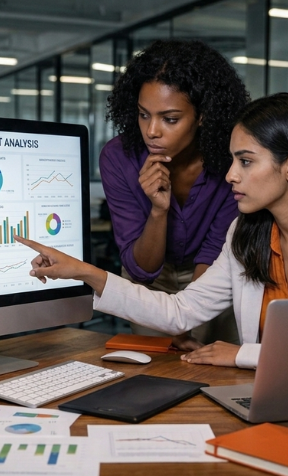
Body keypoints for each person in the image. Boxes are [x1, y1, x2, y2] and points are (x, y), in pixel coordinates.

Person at [17, 93, 288, 369]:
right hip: (263, 394)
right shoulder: (245, 233)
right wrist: (85, 272)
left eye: (246, 161)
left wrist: (241, 354)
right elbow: (180, 310)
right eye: (232, 159)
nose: (231, 174)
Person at [99, 39, 249, 350]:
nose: (151, 131)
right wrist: (158, 210)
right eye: (143, 114)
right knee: (153, 372)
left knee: (218, 367)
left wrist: (185, 320)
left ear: (203, 115)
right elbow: (141, 271)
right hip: (150, 281)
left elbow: (213, 251)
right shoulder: (119, 157)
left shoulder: (231, 160)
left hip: (215, 273)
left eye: (170, 119)